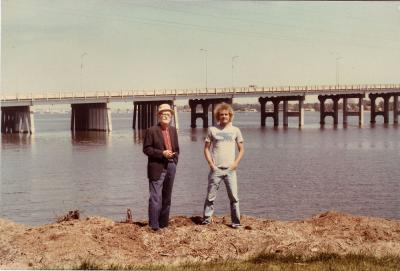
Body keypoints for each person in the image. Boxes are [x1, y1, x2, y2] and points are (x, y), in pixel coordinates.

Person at [202, 102, 245, 228]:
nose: (224, 116)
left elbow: (242, 149)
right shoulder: (212, 130)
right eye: (221, 115)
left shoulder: (236, 130)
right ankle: (206, 220)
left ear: (230, 115)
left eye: (226, 114)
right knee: (210, 197)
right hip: (216, 170)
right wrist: (211, 164)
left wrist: (235, 164)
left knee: (234, 198)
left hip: (230, 170)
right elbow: (206, 149)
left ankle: (236, 223)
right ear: (217, 116)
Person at [143, 103, 179, 231]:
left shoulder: (173, 130)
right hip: (157, 167)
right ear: (159, 115)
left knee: (167, 197)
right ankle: (154, 226)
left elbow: (177, 149)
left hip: (171, 166)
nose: (165, 116)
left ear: (171, 116)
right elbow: (146, 149)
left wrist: (174, 161)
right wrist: (162, 153)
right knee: (155, 197)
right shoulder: (151, 130)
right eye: (163, 114)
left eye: (168, 114)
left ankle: (164, 224)